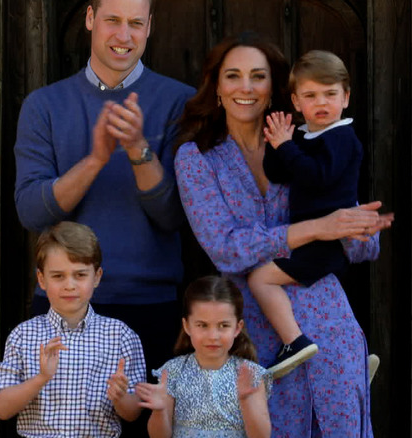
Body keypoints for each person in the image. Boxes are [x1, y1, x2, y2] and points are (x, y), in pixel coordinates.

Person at [174, 32, 393, 437]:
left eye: (257, 76)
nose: (245, 87)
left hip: (328, 322)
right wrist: (315, 229)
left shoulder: (307, 141)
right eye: (233, 76)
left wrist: (362, 230)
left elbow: (357, 243)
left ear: (274, 89)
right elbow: (225, 250)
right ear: (217, 87)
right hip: (252, 332)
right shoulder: (197, 158)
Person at [13, 0, 194, 432]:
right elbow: (31, 210)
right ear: (91, 19)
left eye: (135, 23)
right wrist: (95, 159)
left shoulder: (180, 103)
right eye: (112, 21)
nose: (123, 36)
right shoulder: (44, 105)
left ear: (150, 26)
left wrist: (138, 151)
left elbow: (175, 216)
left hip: (151, 307)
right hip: (65, 307)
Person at [246, 50, 364, 379]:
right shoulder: (306, 135)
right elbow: (279, 173)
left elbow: (316, 177)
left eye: (330, 94)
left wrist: (287, 146)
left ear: (346, 97)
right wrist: (277, 142)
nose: (321, 103)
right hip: (309, 238)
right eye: (311, 96)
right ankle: (347, 362)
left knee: (260, 278)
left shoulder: (342, 138)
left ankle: (294, 342)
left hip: (324, 243)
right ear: (297, 102)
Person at [0, 221, 146, 437]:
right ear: (41, 279)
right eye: (58, 276)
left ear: (97, 277)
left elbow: (133, 414)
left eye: (80, 275)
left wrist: (120, 397)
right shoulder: (23, 335)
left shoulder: (121, 336)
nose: (70, 285)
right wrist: (41, 378)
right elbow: (1, 408)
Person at [136, 276, 271, 438]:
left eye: (223, 325)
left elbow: (262, 436)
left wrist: (247, 401)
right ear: (187, 326)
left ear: (237, 328)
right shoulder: (172, 371)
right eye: (202, 325)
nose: (213, 336)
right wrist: (159, 411)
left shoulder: (250, 374)